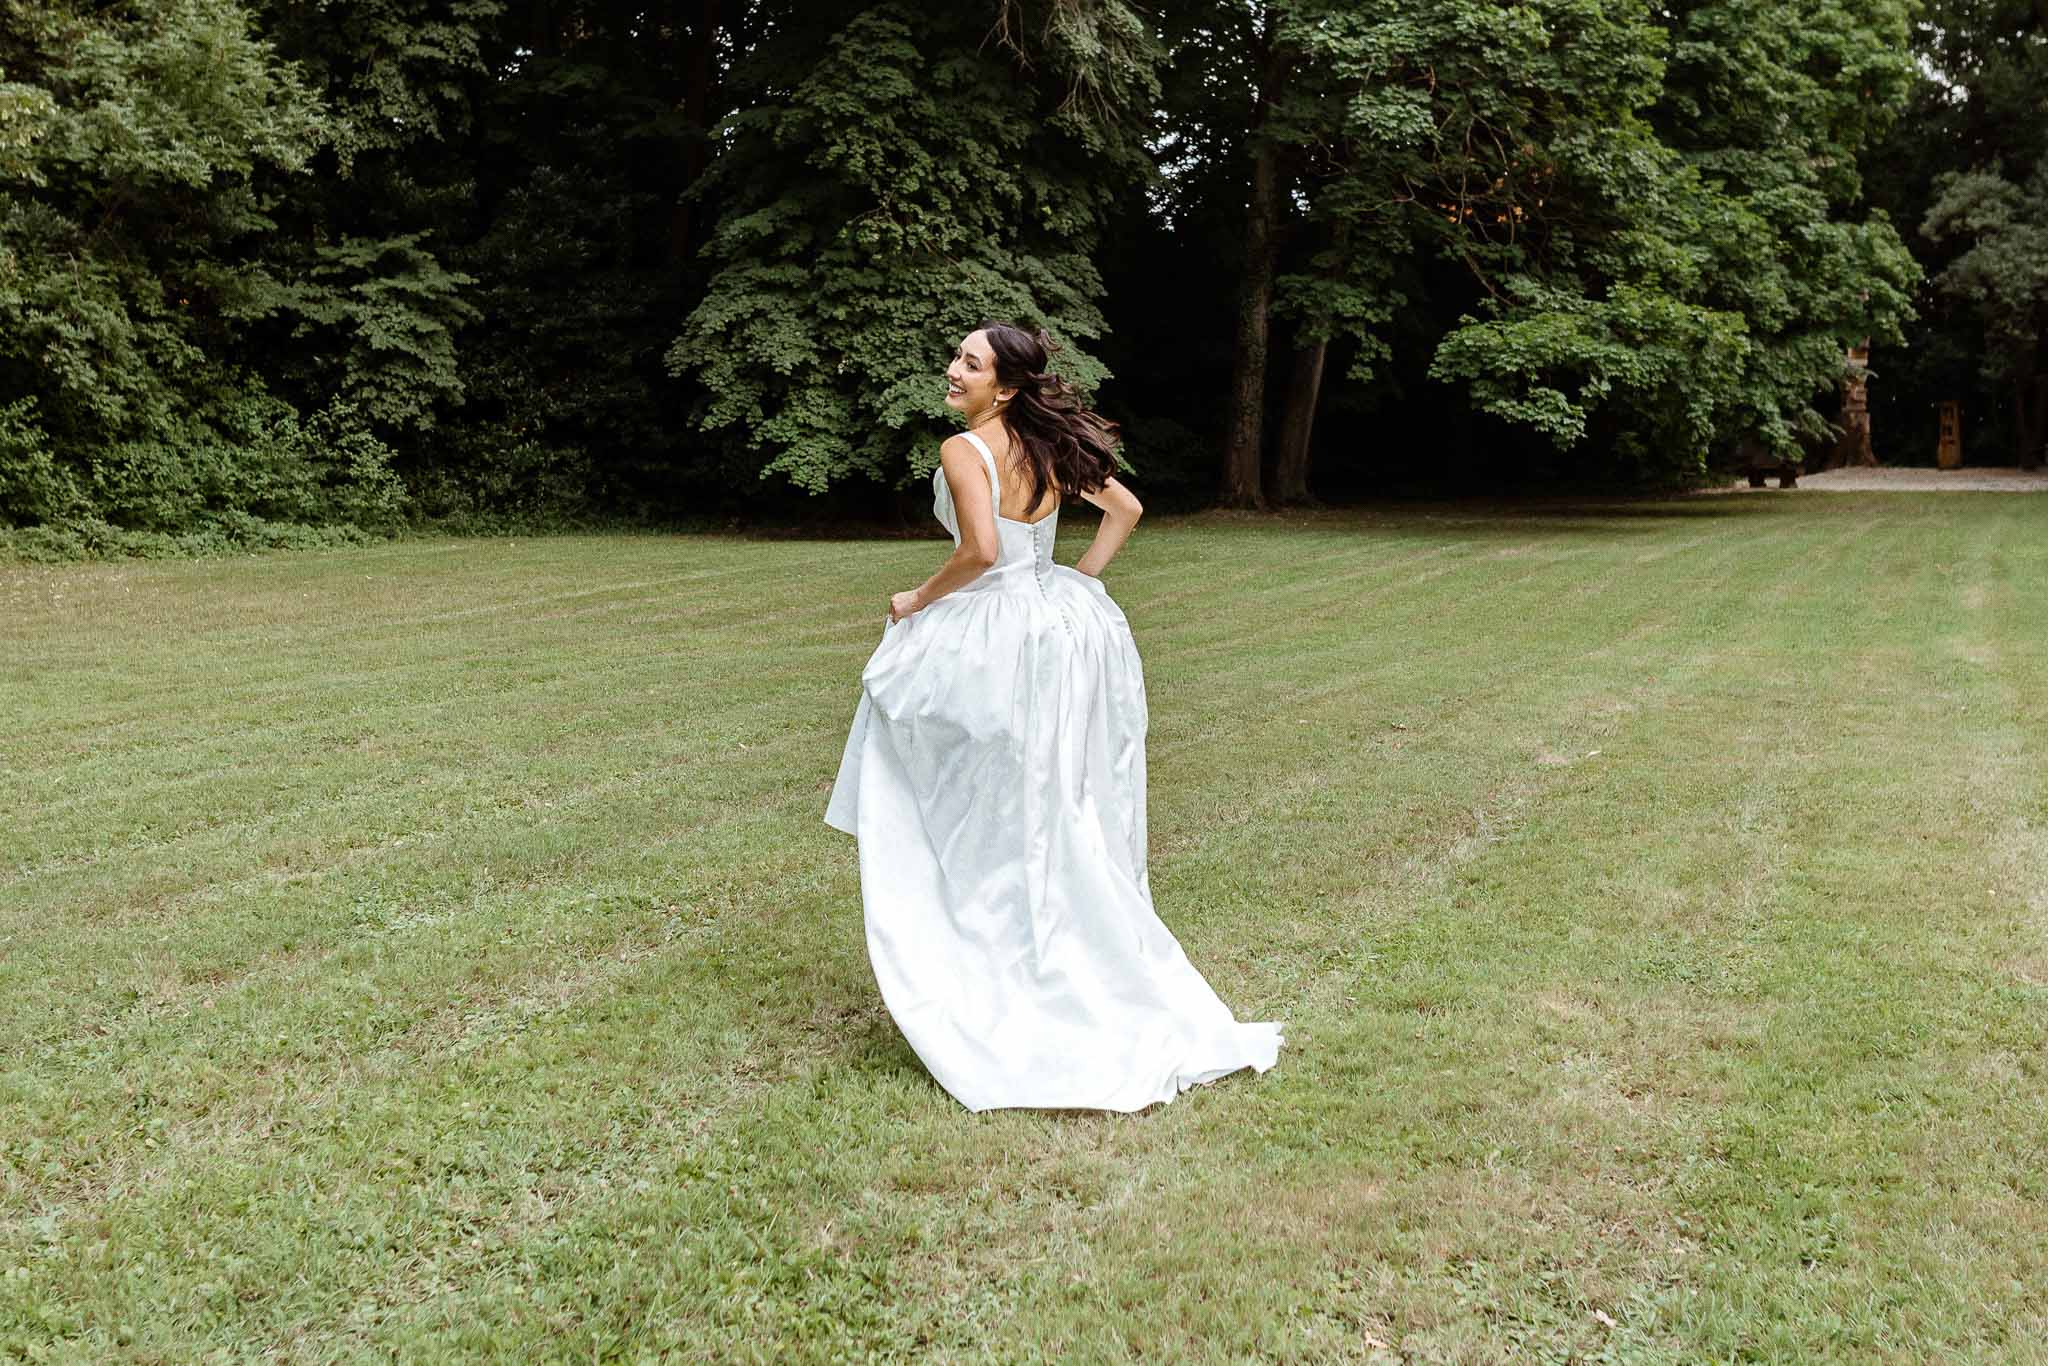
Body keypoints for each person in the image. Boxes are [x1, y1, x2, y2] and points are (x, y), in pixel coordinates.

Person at [824, 322, 1283, 1113]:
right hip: (1054, 633)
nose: (953, 368)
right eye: (958, 357)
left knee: (969, 792)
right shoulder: (1040, 444)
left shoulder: (964, 450)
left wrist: (915, 599)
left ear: (1004, 387)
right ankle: (1032, 941)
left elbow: (979, 553)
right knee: (1045, 797)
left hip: (996, 635)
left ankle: (984, 951)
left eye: (970, 362)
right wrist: (1077, 581)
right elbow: (1126, 509)